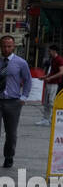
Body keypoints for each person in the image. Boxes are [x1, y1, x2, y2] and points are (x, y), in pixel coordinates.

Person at [1, 35, 33, 169]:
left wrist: (24, 98)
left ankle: (9, 157)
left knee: (11, 133)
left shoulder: (21, 63)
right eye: (4, 46)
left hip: (13, 102)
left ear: (13, 47)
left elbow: (28, 80)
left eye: (9, 46)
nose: (6, 49)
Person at [41, 46, 63, 124]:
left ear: (54, 51)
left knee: (51, 102)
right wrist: (45, 77)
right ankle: (45, 119)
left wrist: (50, 77)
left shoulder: (60, 59)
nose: (49, 52)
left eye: (50, 51)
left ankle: (52, 119)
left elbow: (62, 72)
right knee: (46, 102)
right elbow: (52, 72)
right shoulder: (53, 59)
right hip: (49, 82)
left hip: (54, 83)